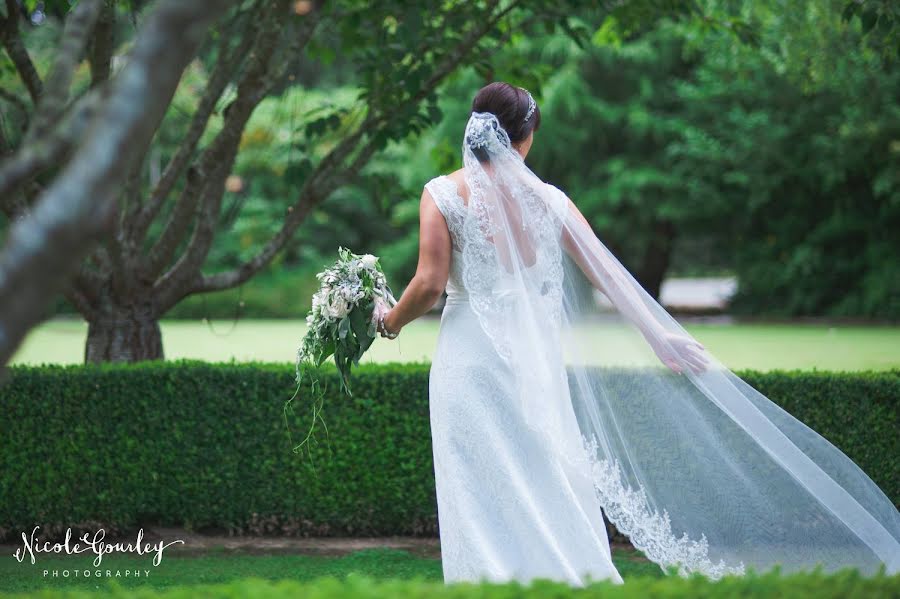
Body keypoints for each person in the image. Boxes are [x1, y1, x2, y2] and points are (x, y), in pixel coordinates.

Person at [376, 81, 900, 586]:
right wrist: (658, 335)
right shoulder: (550, 201)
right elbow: (607, 272)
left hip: (469, 360)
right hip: (534, 361)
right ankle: (558, 574)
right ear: (522, 137)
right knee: (545, 471)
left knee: (477, 479)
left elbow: (428, 285)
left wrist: (388, 321)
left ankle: (487, 581)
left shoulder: (442, 194)